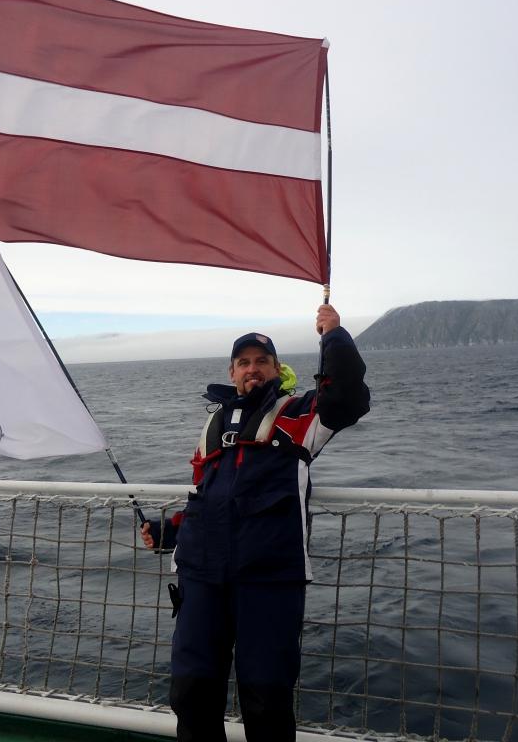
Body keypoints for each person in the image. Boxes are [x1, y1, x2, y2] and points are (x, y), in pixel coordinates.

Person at [141, 304, 370, 742]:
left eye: (261, 361)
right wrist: (168, 530)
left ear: (276, 368)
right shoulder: (211, 427)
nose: (252, 369)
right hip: (201, 578)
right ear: (232, 372)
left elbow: (348, 399)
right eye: (243, 363)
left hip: (269, 580)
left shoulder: (302, 416)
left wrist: (333, 336)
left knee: (265, 702)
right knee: (190, 694)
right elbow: (202, 500)